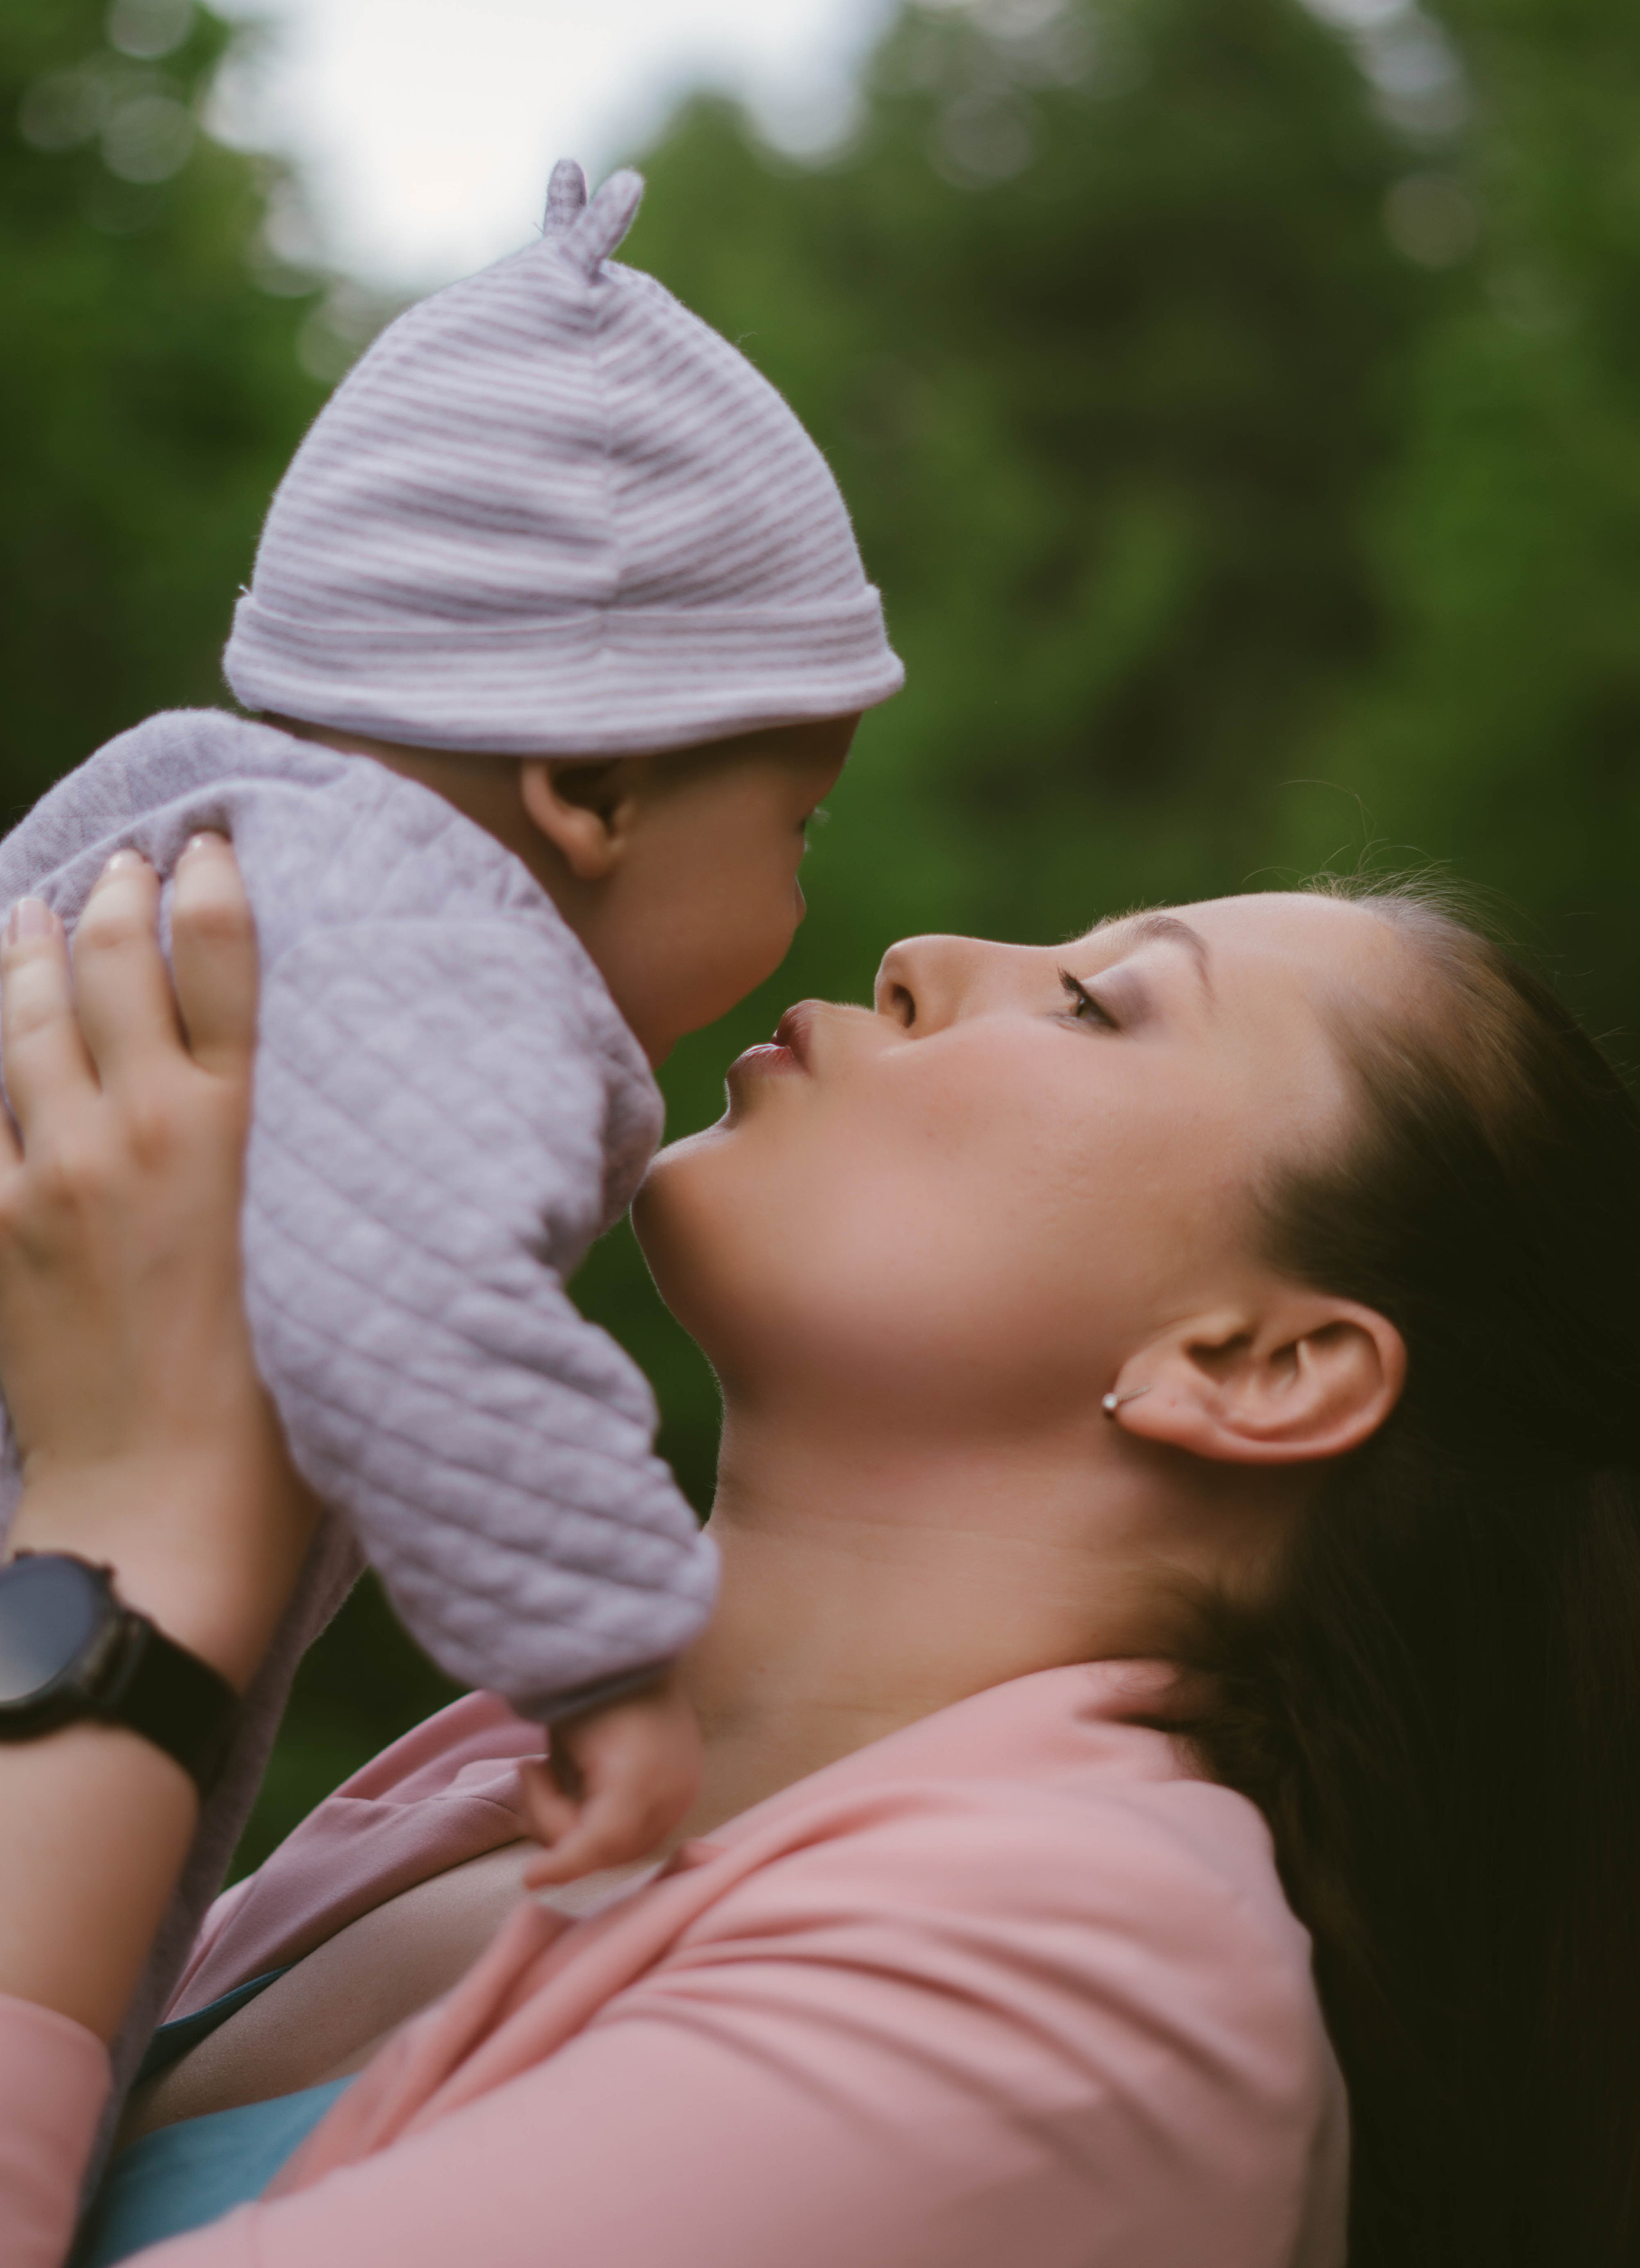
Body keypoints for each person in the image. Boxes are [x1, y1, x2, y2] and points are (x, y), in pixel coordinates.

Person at [1, 841, 1637, 2268]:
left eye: (1093, 1004)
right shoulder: (511, 1772)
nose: (922, 964)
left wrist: (137, 1531)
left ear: (1252, 1367)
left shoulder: (1078, 1990)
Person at [0, 154, 903, 2069]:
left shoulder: (183, 838)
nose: (812, 901)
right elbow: (410, 1315)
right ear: (590, 789)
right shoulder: (454, 951)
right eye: (796, 822)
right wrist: (611, 1658)